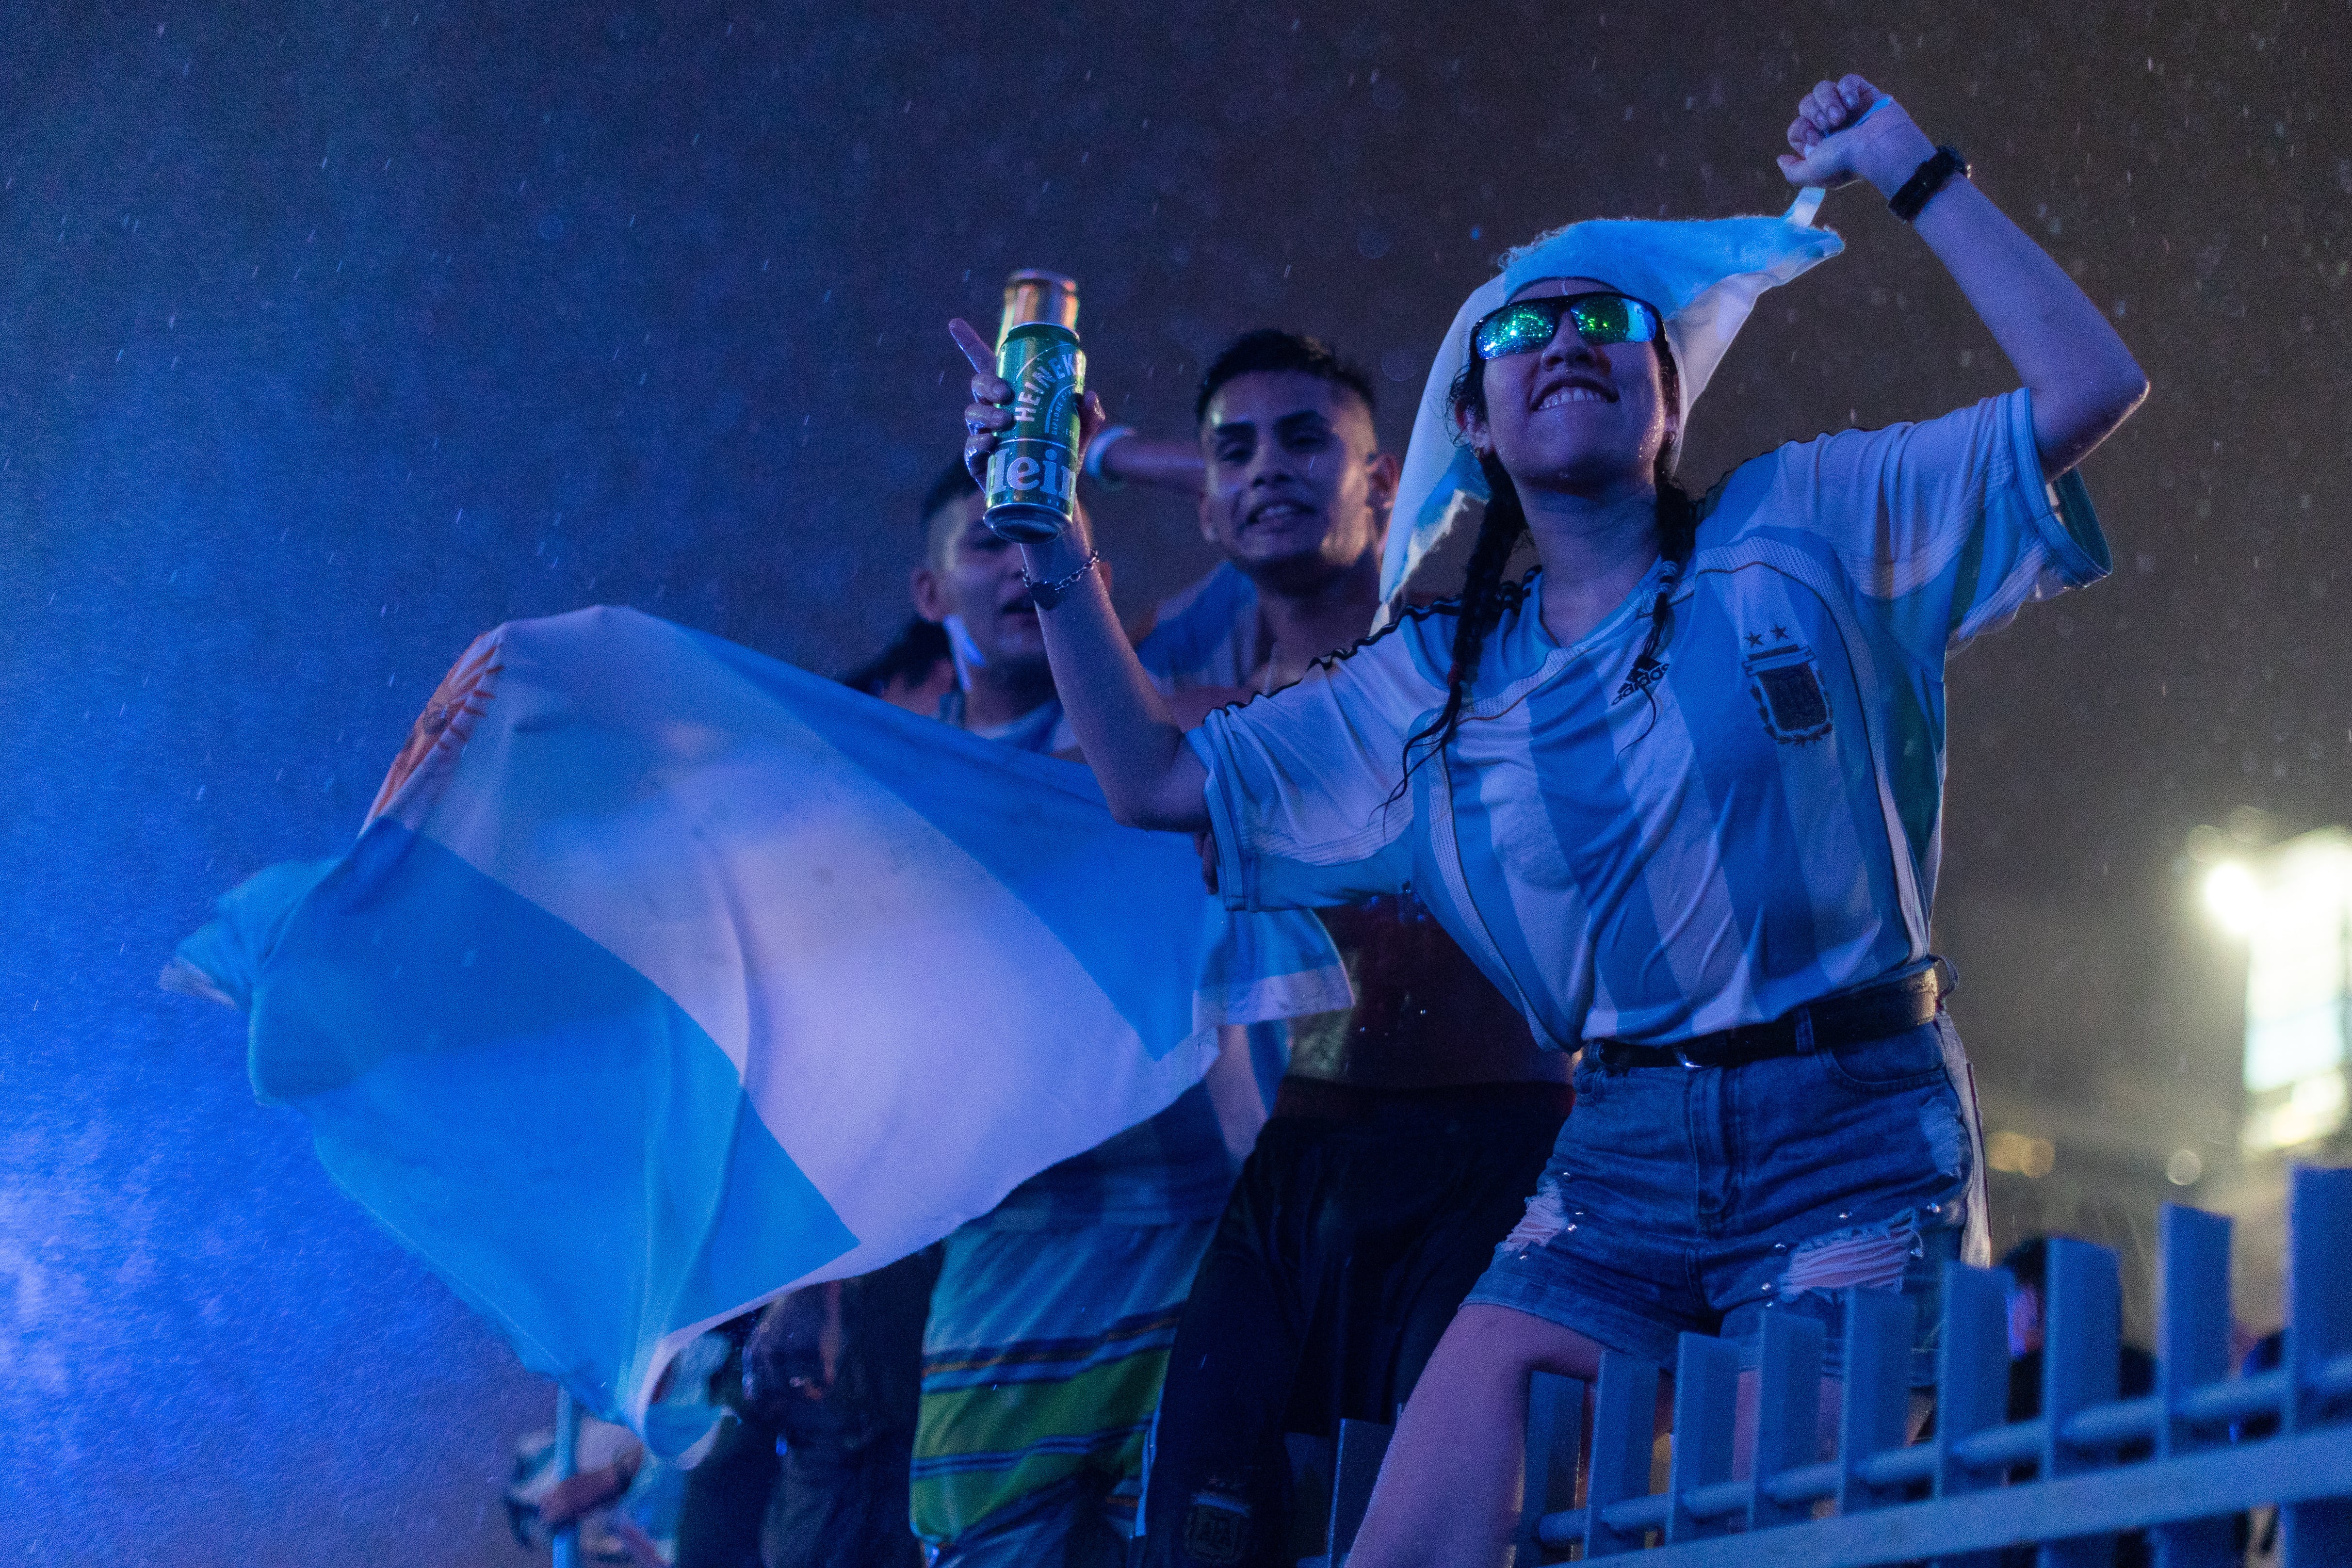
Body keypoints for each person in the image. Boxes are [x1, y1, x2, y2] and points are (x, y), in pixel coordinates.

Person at [953, 72, 2146, 1568]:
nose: (1564, 340)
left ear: (1668, 392)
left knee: (1723, 1542)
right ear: (1477, 421)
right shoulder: (1435, 680)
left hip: (1850, 1134)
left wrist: (1910, 168)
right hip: (1615, 1156)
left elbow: (2089, 386)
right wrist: (1050, 529)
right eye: (1518, 329)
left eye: (1605, 323)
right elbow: (1152, 782)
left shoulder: (1808, 526)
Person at [1085, 330, 1573, 1568]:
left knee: (1441, 1540)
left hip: (1498, 1151)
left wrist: (1109, 454)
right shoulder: (1200, 721)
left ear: (1383, 481)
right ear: (1204, 502)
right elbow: (1036, 778)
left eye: (1308, 441)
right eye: (1234, 454)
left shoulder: (1486, 662)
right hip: (1303, 1162)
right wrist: (1063, 478)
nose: (1268, 472)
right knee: (1202, 1525)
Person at [900, 458, 1283, 1568]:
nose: (1020, 565)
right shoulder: (891, 797)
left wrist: (1109, 460)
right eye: (987, 542)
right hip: (1003, 1260)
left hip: (1198, 1245)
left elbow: (1294, 540)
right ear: (931, 596)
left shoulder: (1173, 736)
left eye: (1046, 542)